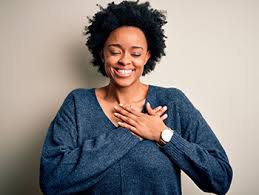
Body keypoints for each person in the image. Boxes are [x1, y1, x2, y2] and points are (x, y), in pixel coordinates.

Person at [39, 1, 233, 194]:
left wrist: (163, 135)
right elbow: (51, 180)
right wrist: (129, 134)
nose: (125, 60)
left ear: (147, 56)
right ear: (102, 54)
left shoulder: (171, 102)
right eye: (115, 51)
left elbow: (220, 177)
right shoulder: (78, 104)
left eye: (136, 53)